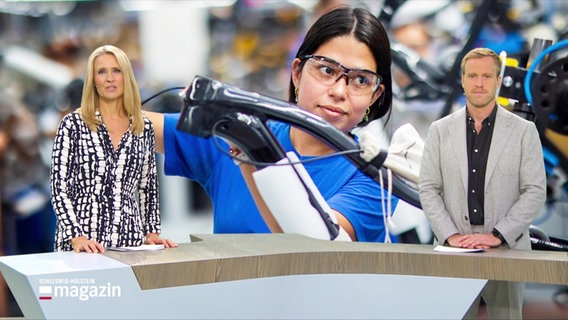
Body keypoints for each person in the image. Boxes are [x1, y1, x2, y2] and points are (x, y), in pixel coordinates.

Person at [147, 6, 398, 242]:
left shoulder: (376, 177)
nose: (339, 91)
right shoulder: (229, 135)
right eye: (327, 71)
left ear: (374, 96)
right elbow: (126, 126)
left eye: (361, 80)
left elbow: (316, 248)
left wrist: (252, 150)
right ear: (297, 73)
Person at [418, 47, 546, 319]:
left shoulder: (524, 131)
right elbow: (429, 188)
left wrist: (497, 234)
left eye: (487, 76)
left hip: (507, 248)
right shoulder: (439, 130)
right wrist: (451, 235)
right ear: (462, 81)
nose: (479, 83)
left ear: (498, 81)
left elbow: (534, 191)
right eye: (473, 76)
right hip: (454, 247)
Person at [50, 45, 177, 253]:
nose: (110, 78)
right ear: (93, 80)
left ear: (126, 76)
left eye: (116, 70)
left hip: (129, 243)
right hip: (80, 247)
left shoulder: (142, 126)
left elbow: (148, 186)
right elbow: (59, 189)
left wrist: (152, 233)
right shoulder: (72, 125)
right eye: (102, 72)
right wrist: (77, 236)